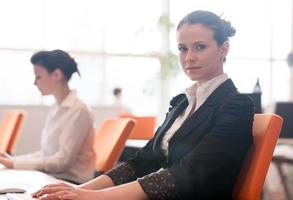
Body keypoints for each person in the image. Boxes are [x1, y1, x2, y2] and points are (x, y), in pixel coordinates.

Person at [32, 10, 254, 199]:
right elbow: (141, 162)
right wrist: (78, 190)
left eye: (199, 47)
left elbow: (188, 174)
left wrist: (95, 197)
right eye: (182, 48)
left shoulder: (236, 105)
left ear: (224, 49)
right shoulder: (181, 103)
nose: (189, 57)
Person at [0, 50, 96, 184]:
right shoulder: (56, 108)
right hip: (53, 176)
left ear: (57, 74)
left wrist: (15, 164)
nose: (35, 83)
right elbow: (46, 154)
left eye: (38, 76)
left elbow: (61, 162)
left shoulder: (78, 110)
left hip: (70, 182)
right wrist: (13, 161)